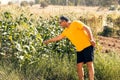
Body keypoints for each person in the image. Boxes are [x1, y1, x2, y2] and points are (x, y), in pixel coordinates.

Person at [43, 16, 95, 80]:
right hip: (79, 49)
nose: (60, 24)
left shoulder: (75, 23)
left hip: (87, 45)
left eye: (60, 22)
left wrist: (91, 39)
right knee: (79, 67)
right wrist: (48, 41)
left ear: (64, 21)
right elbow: (58, 37)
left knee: (89, 64)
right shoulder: (66, 31)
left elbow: (87, 28)